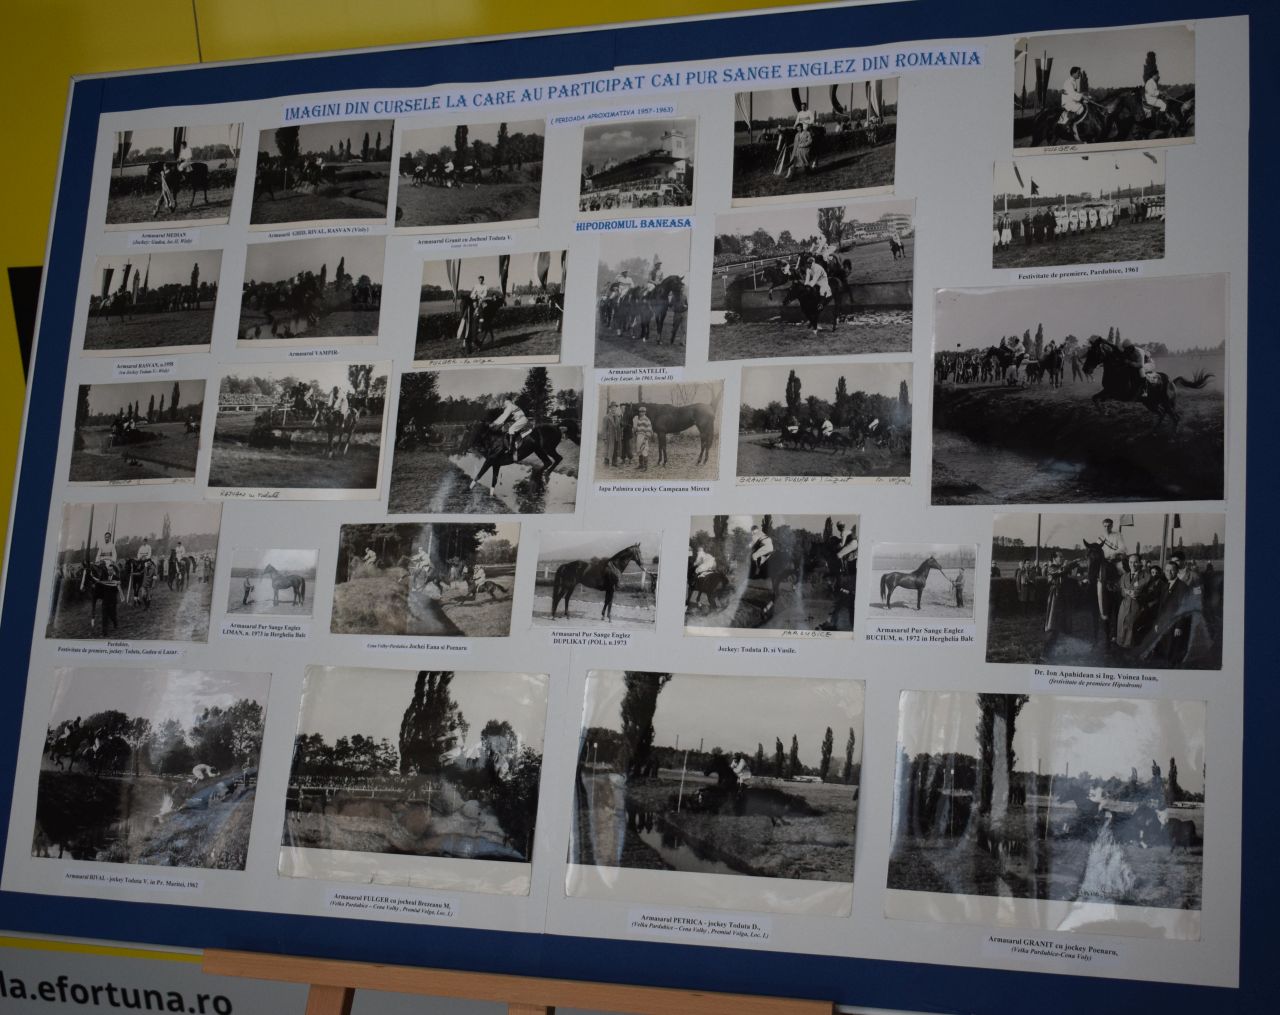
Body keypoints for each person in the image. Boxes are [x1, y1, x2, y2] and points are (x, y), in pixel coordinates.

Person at [1059, 65, 1089, 140]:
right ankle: (1069, 126)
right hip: (1067, 103)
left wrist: (1084, 97)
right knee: (1081, 108)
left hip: (1072, 101)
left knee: (1085, 105)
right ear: (1073, 73)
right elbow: (1072, 94)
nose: (1079, 74)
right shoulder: (1069, 82)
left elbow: (1075, 95)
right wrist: (1082, 96)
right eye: (1078, 73)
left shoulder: (1073, 81)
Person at [1142, 51, 1169, 117]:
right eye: (1157, 75)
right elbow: (1151, 93)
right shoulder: (1149, 82)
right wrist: (1160, 92)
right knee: (1163, 105)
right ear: (1153, 75)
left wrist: (1161, 93)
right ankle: (1160, 119)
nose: (1158, 76)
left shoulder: (1152, 82)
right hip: (1150, 99)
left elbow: (1154, 92)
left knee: (1165, 101)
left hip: (1153, 98)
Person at [631, 404, 654, 470]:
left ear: (645, 412)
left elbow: (649, 430)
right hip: (639, 436)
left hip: (644, 436)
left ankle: (645, 466)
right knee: (639, 450)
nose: (641, 413)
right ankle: (641, 465)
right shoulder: (639, 419)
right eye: (640, 412)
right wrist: (634, 427)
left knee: (644, 450)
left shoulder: (647, 420)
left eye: (643, 412)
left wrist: (646, 438)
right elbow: (636, 429)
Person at [603, 401, 623, 466]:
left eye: (615, 407)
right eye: (612, 407)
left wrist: (620, 435)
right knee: (608, 448)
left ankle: (614, 462)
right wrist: (604, 437)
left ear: (616, 408)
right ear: (610, 408)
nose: (613, 409)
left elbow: (619, 427)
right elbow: (604, 428)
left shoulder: (618, 417)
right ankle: (606, 462)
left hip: (616, 436)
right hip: (609, 436)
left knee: (615, 448)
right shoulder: (606, 417)